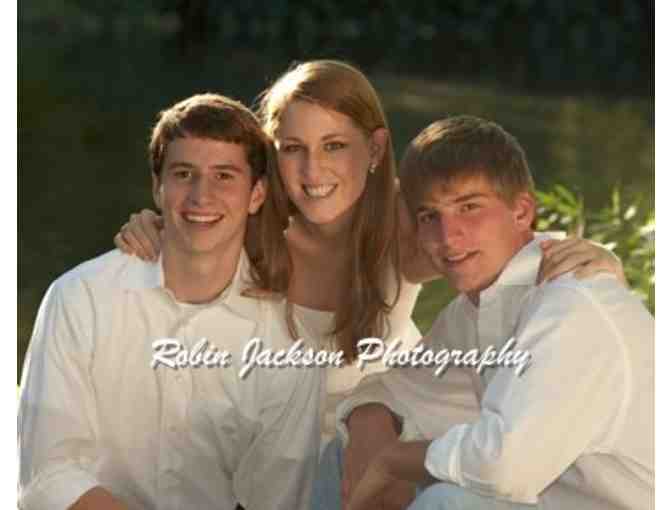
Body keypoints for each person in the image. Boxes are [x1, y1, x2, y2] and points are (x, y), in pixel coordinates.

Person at [113, 61, 627, 507]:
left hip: (367, 432)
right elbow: (191, 214)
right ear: (272, 155)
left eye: (335, 146)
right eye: (292, 149)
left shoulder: (409, 224)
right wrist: (157, 225)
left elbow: (504, 242)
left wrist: (602, 263)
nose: (313, 170)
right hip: (265, 442)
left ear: (375, 148)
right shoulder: (246, 228)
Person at [18, 94, 323, 510]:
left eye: (224, 176)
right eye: (184, 174)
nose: (201, 196)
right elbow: (47, 477)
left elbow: (278, 500)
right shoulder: (80, 299)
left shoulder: (289, 343)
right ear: (157, 188)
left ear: (256, 194)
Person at [333, 115, 653, 510]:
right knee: (348, 451)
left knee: (449, 502)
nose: (448, 236)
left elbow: (506, 468)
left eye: (469, 207)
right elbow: (399, 390)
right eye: (430, 216)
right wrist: (371, 423)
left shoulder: (569, 303)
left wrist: (393, 461)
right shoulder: (474, 311)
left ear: (521, 212)